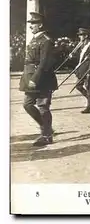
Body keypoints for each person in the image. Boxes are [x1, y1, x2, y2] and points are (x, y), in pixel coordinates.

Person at [19, 12, 58, 146]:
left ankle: (47, 136)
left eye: (33, 24)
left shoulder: (46, 40)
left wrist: (35, 78)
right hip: (31, 76)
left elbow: (44, 62)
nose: (31, 26)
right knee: (27, 104)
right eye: (30, 24)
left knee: (43, 107)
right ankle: (46, 128)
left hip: (43, 79)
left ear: (40, 25)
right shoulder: (35, 39)